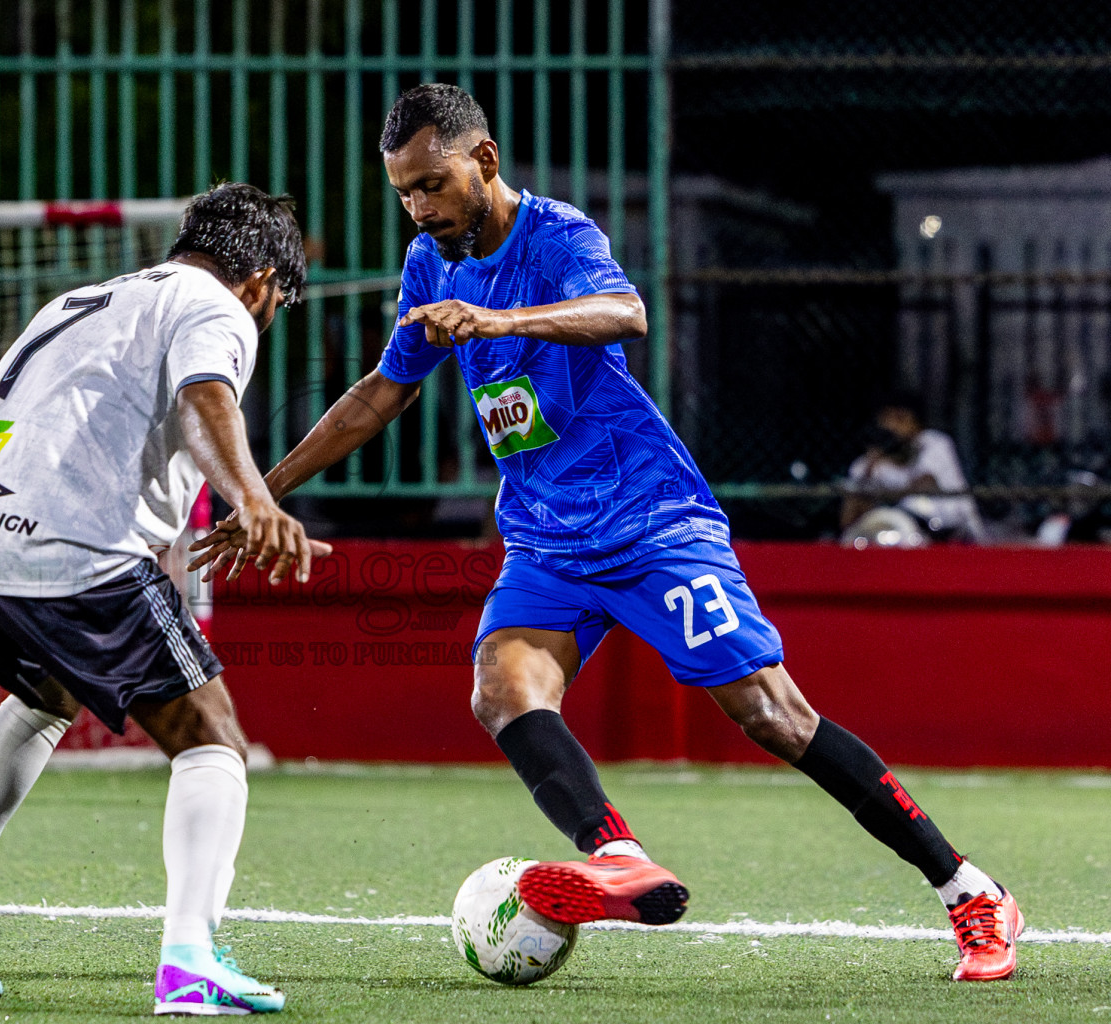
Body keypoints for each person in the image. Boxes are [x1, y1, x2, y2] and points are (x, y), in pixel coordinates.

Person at [192, 85, 1022, 982]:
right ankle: (616, 854)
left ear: (486, 161)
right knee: (503, 691)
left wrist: (499, 320)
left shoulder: (557, 236)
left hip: (652, 521)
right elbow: (379, 394)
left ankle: (972, 893)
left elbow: (626, 313)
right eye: (404, 192)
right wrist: (261, 495)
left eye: (432, 184)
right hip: (546, 541)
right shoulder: (431, 260)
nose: (420, 208)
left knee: (774, 717)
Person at [0, 183, 328, 1015]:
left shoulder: (80, 303)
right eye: (274, 306)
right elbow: (206, 401)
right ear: (263, 281)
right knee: (211, 738)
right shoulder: (218, 308)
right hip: (65, 549)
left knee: (46, 691)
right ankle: (191, 957)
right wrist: (254, 500)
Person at [841, 392, 983, 543]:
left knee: (910, 510)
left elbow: (925, 483)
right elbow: (848, 520)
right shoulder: (866, 464)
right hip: (893, 534)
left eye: (899, 418)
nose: (892, 426)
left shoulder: (933, 443)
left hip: (948, 527)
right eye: (886, 419)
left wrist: (886, 497)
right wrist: (869, 470)